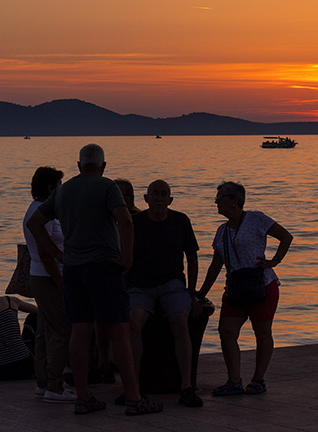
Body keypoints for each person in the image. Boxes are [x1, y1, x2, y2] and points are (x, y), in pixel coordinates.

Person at [26, 144, 161, 416]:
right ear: (104, 166)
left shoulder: (63, 191)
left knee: (79, 331)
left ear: (78, 165)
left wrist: (55, 253)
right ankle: (134, 398)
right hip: (103, 267)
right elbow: (126, 220)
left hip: (73, 270)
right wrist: (127, 257)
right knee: (119, 331)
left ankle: (84, 397)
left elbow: (35, 223)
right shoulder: (107, 187)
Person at [198, 181, 294, 395]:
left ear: (234, 200)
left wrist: (275, 260)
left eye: (220, 196)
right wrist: (200, 293)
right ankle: (234, 381)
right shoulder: (221, 231)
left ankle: (258, 379)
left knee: (262, 332)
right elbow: (215, 266)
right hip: (235, 287)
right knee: (226, 331)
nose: (216, 201)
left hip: (262, 284)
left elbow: (286, 237)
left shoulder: (256, 218)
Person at [127, 179, 202, 408]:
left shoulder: (180, 221)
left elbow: (192, 257)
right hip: (140, 286)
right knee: (133, 323)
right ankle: (134, 386)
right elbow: (125, 256)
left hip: (172, 285)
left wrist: (192, 293)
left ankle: (186, 386)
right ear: (146, 198)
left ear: (170, 199)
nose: (159, 198)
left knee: (180, 321)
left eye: (163, 194)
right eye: (154, 194)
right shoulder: (135, 222)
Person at [22, 166, 75, 402]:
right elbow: (46, 254)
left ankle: (43, 382)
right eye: (59, 184)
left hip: (42, 275)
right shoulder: (41, 214)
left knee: (44, 330)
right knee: (61, 330)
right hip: (48, 276)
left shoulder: (40, 211)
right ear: (51, 187)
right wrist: (60, 281)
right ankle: (55, 386)